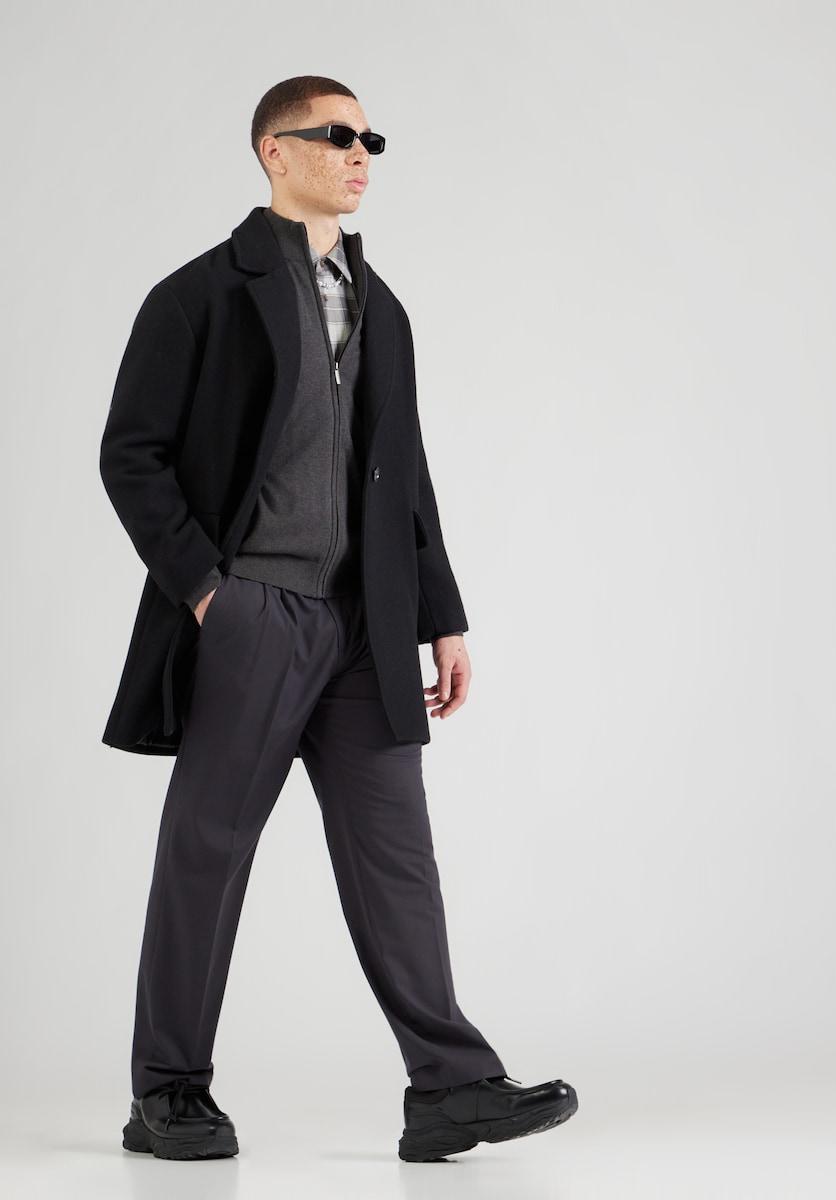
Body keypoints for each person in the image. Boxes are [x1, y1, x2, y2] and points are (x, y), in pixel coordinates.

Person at [101, 74, 578, 1163]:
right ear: (274, 151)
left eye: (370, 138)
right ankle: (167, 1091)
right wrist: (209, 591)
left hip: (366, 624)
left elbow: (404, 474)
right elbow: (131, 455)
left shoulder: (382, 306)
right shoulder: (198, 295)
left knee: (397, 854)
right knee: (208, 853)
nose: (361, 153)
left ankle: (449, 1087)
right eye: (337, 135)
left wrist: (441, 615)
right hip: (254, 613)